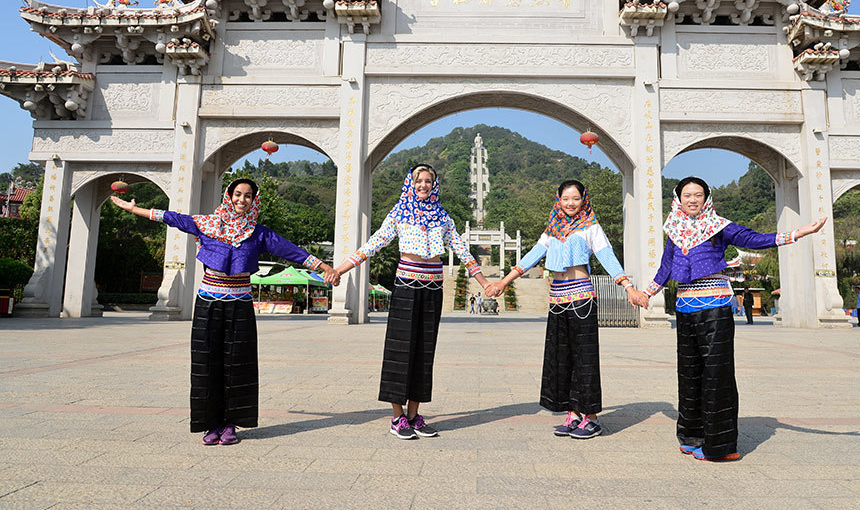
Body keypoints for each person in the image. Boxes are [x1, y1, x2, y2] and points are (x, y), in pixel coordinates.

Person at [110, 179, 340, 446]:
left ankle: (231, 424)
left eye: (248, 196)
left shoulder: (258, 233)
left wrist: (325, 267)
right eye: (238, 194)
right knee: (206, 363)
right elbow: (172, 218)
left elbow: (290, 250)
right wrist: (133, 209)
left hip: (240, 303)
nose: (242, 199)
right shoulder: (207, 224)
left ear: (254, 200)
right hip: (208, 302)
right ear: (229, 196)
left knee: (238, 364)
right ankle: (210, 424)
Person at [638, 176, 825, 461]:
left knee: (717, 375)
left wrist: (797, 233)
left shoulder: (719, 226)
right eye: (687, 195)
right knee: (689, 374)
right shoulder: (674, 230)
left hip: (715, 307)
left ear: (707, 198)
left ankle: (722, 447)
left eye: (698, 195)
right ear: (678, 199)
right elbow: (666, 267)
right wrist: (646, 294)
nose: (692, 200)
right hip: (685, 308)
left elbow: (754, 239)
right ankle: (692, 436)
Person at [333, 165, 492, 440]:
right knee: (400, 349)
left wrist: (485, 283)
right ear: (411, 183)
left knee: (424, 350)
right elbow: (373, 244)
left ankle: (415, 415)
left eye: (428, 181)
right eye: (419, 181)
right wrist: (340, 270)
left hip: (433, 287)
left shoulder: (443, 217)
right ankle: (397, 417)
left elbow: (462, 251)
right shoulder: (399, 213)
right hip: (406, 285)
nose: (423, 185)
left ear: (434, 185)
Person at [487, 180, 649, 440]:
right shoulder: (552, 229)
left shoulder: (590, 226)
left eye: (575, 198)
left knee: (585, 358)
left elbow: (607, 256)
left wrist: (628, 288)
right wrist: (503, 283)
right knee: (561, 357)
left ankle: (591, 418)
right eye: (565, 198)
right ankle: (573, 414)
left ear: (583, 200)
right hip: (557, 298)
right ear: (558, 200)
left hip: (581, 296)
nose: (570, 203)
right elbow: (532, 256)